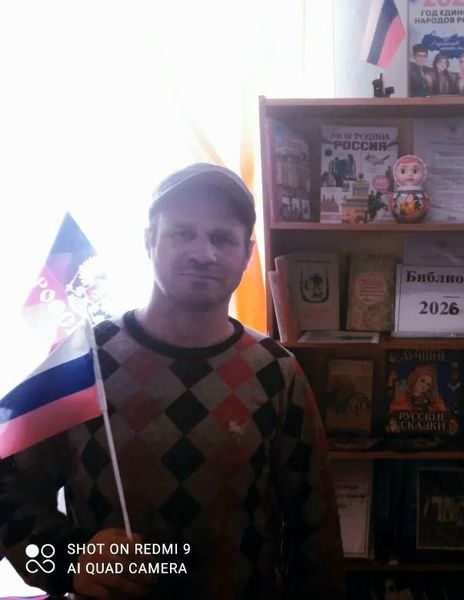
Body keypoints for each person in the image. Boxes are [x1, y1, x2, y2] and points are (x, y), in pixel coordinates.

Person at [0, 163, 345, 599]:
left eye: (222, 238)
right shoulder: (83, 361)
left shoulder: (277, 372)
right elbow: (8, 496)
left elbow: (316, 535)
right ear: (149, 239)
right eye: (183, 233)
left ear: (247, 253)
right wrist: (68, 563)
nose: (204, 253)